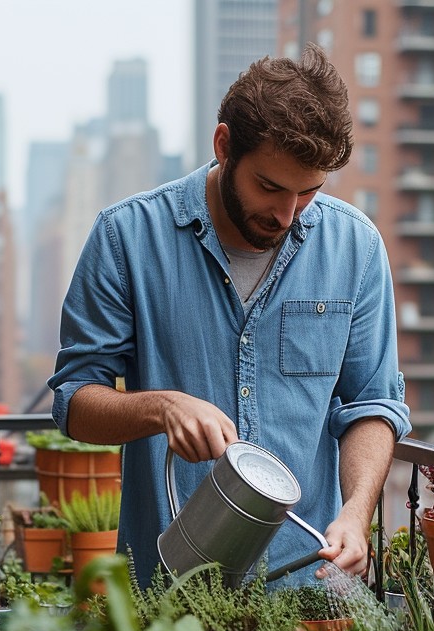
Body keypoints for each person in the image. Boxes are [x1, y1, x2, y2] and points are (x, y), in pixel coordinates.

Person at [47, 43, 410, 588]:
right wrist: (160, 408)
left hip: (309, 583)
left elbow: (371, 405)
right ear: (223, 146)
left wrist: (357, 512)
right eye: (270, 187)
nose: (288, 214)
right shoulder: (126, 238)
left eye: (309, 192)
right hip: (169, 594)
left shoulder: (355, 248)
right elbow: (74, 403)